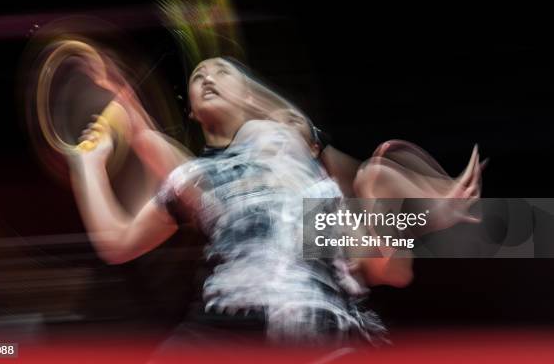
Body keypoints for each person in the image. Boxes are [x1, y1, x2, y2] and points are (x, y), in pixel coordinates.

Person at [67, 56, 482, 348]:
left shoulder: (313, 184)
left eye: (222, 72)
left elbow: (390, 271)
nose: (208, 77)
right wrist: (88, 165)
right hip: (223, 329)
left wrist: (402, 218)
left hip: (317, 329)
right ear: (193, 113)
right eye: (198, 75)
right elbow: (118, 241)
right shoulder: (199, 180)